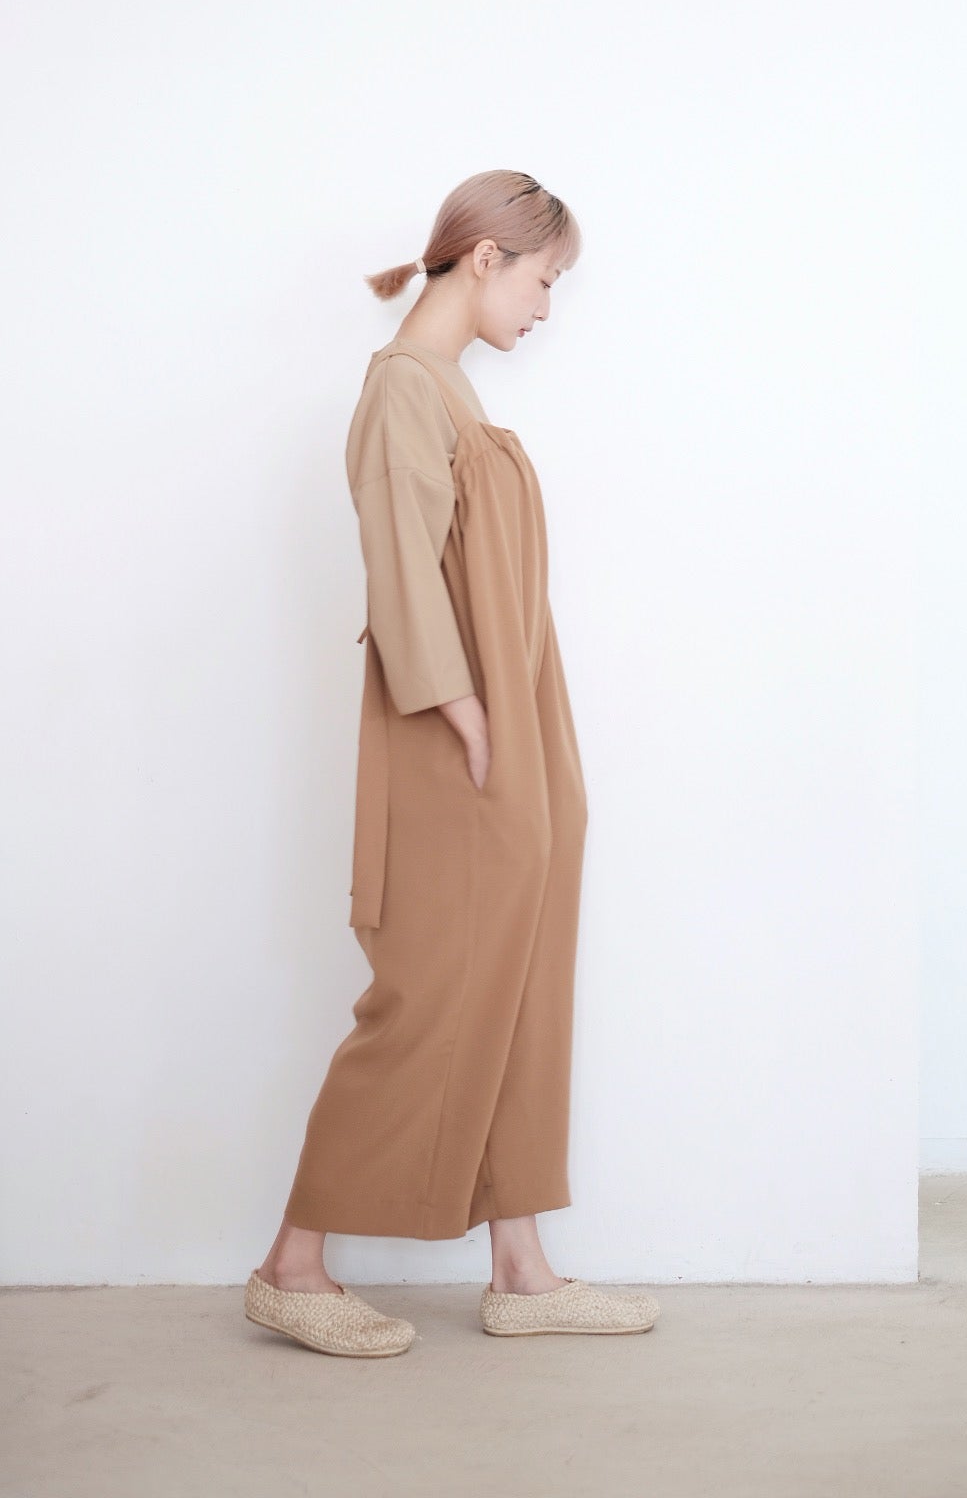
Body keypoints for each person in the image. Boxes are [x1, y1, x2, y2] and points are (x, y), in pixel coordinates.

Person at [244, 170, 659, 1355]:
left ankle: (522, 1273)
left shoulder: (449, 390)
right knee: (428, 996)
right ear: (484, 258)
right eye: (543, 280)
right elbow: (402, 569)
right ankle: (291, 1266)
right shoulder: (403, 389)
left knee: (518, 988)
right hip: (452, 738)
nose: (546, 306)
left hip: (512, 731)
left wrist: (521, 740)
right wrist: (469, 718)